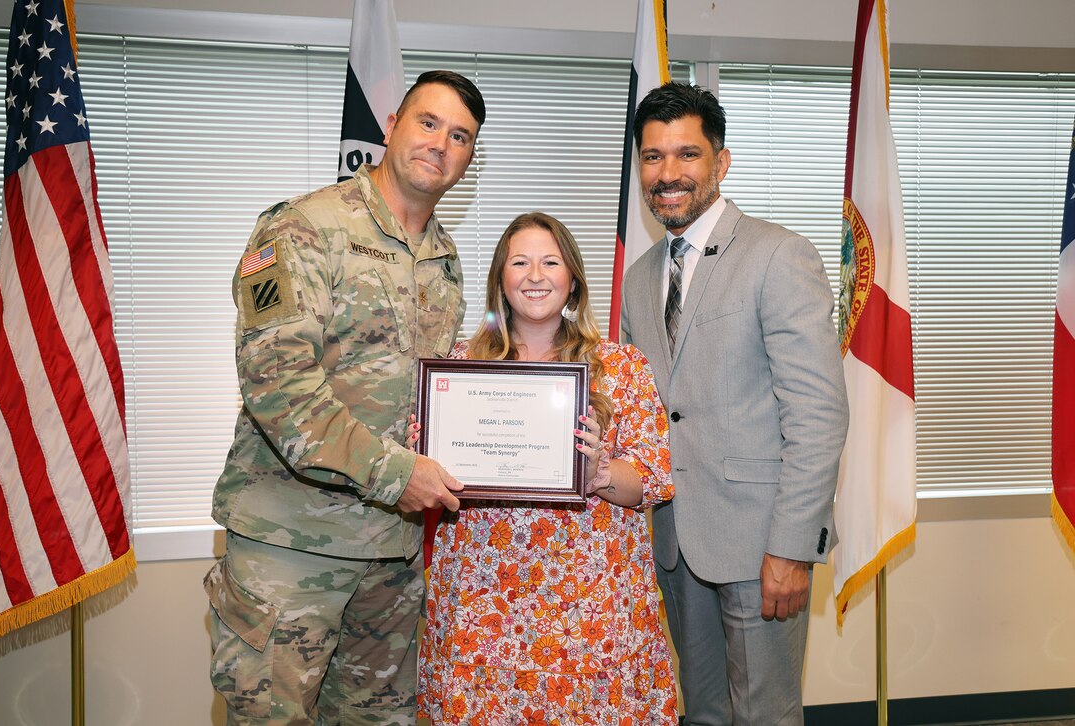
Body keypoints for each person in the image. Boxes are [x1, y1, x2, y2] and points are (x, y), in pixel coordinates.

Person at [203, 70, 485, 725]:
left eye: (461, 136)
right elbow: (279, 389)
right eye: (428, 122)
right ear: (391, 127)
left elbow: (429, 402)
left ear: (471, 158)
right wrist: (399, 475)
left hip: (390, 560)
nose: (440, 143)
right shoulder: (297, 230)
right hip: (290, 551)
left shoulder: (444, 260)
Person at [620, 82, 850, 725]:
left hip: (760, 546)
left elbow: (818, 413)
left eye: (686, 155)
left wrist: (792, 545)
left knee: (765, 716)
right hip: (672, 541)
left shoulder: (779, 255)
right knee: (704, 715)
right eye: (653, 157)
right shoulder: (641, 280)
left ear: (720, 163)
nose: (668, 175)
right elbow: (644, 411)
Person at [414, 212, 678, 724]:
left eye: (550, 262)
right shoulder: (457, 369)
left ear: (573, 278)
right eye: (520, 262)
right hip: (484, 610)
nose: (535, 275)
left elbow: (652, 479)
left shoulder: (622, 368)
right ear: (500, 280)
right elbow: (427, 485)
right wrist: (421, 455)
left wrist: (601, 473)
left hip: (593, 613)